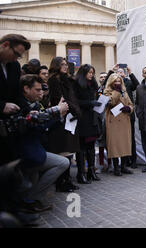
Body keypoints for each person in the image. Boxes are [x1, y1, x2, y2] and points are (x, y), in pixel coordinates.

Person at [15, 74, 70, 214]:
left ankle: (30, 201)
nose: (41, 92)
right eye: (37, 89)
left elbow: (44, 125)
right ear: (26, 89)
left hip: (35, 151)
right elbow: (38, 127)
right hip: (26, 153)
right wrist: (57, 112)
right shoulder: (20, 105)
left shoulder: (33, 104)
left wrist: (58, 114)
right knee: (62, 163)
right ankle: (30, 199)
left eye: (42, 90)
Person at [46, 57, 82, 192]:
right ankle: (61, 182)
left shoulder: (66, 80)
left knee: (69, 149)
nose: (65, 67)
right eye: (62, 64)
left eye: (66, 64)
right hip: (61, 118)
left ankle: (67, 180)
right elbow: (59, 99)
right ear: (56, 66)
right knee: (62, 149)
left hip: (70, 117)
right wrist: (74, 109)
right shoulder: (54, 80)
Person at [0, 34, 31, 166]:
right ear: (5, 45)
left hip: (6, 130)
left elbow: (17, 94)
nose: (17, 58)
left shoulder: (14, 66)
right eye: (16, 54)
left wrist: (29, 110)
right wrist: (1, 106)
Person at [74, 64, 102, 183]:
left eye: (92, 73)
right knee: (81, 147)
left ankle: (91, 171)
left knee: (91, 146)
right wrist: (90, 103)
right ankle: (81, 173)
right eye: (89, 72)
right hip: (82, 118)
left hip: (93, 118)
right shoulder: (77, 84)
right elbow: (76, 101)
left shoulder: (93, 84)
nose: (91, 75)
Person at [103, 73, 134, 176]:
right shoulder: (107, 92)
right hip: (113, 121)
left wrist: (128, 108)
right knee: (115, 145)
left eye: (119, 81)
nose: (117, 83)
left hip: (124, 120)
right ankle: (116, 167)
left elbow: (130, 104)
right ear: (111, 82)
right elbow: (111, 102)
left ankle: (124, 166)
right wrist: (116, 91)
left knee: (125, 144)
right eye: (115, 81)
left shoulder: (124, 91)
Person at [117, 66, 140, 168]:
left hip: (129, 114)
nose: (120, 73)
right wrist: (112, 72)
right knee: (122, 139)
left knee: (131, 138)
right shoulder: (114, 85)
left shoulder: (128, 82)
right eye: (118, 72)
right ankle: (124, 161)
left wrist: (130, 73)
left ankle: (133, 160)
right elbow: (104, 87)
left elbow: (137, 85)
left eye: (122, 72)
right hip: (118, 115)